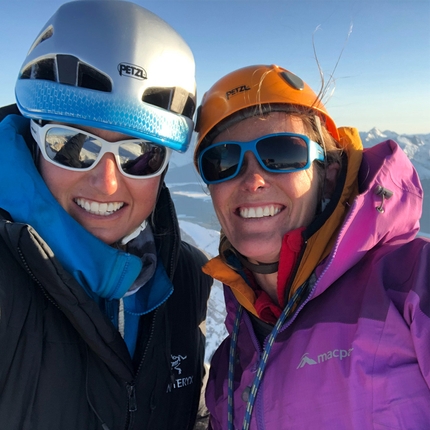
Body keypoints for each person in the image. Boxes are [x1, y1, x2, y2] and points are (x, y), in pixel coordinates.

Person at [0, 1, 212, 429]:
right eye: (73, 145)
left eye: (140, 155)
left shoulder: (186, 278)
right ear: (35, 138)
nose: (108, 184)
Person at [193, 64, 430, 429]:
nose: (253, 178)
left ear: (328, 171)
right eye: (223, 160)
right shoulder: (232, 364)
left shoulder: (412, 283)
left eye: (282, 153)